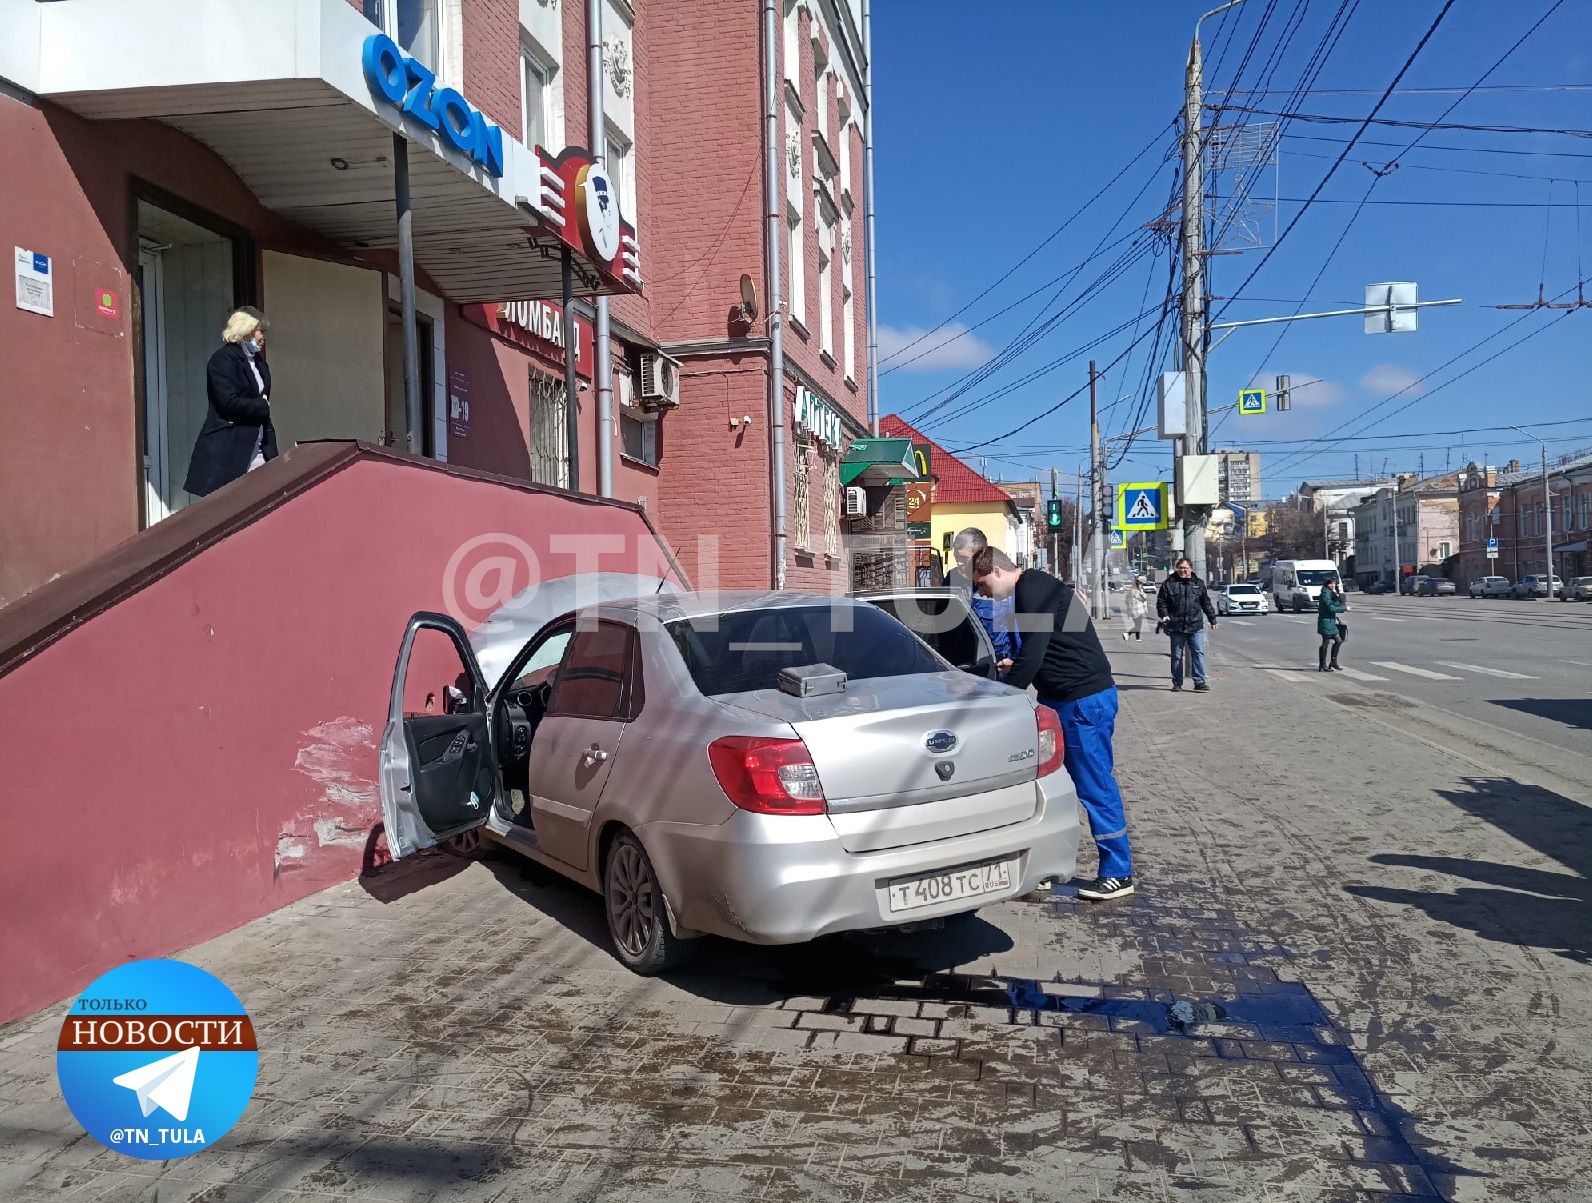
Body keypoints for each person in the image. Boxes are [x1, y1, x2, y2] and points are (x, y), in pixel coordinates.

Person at [970, 547, 1135, 901]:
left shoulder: (1033, 588)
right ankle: (1046, 867)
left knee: (1095, 786)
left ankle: (1118, 872)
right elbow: (1039, 650)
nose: (981, 593)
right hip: (1061, 699)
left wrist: (1007, 696)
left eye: (981, 584)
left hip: (1082, 702)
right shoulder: (1028, 593)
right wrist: (1016, 668)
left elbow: (1036, 650)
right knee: (1054, 787)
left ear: (996, 571)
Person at [184, 307, 278, 498]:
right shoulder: (223, 360)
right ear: (247, 330)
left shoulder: (258, 362)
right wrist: (261, 407)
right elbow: (227, 401)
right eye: (262, 331)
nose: (264, 337)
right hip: (231, 450)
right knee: (233, 506)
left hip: (259, 447)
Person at [943, 528, 1013, 663]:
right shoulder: (952, 578)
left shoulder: (999, 580)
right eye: (957, 558)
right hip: (960, 659)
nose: (959, 563)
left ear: (981, 554)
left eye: (964, 558)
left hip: (997, 660)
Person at [1155, 557, 1218, 692]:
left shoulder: (1198, 584)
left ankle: (1199, 682)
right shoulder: (1169, 583)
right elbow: (1161, 603)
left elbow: (1206, 604)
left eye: (1185, 568)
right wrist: (1164, 615)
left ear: (1191, 569)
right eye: (1180, 568)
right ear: (1177, 569)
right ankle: (1177, 683)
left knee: (1198, 653)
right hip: (1176, 626)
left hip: (1195, 625)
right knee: (1177, 656)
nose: (1183, 570)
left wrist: (1213, 620)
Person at [1317, 573, 1348, 672]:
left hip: (1330, 622)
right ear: (1326, 585)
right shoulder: (1325, 594)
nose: (1333, 585)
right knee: (1325, 643)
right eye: (1331, 584)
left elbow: (1337, 602)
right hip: (1325, 621)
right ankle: (1322, 665)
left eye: (1334, 584)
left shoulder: (1331, 593)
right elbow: (1331, 607)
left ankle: (1333, 662)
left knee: (1338, 641)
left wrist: (1338, 594)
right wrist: (1344, 608)